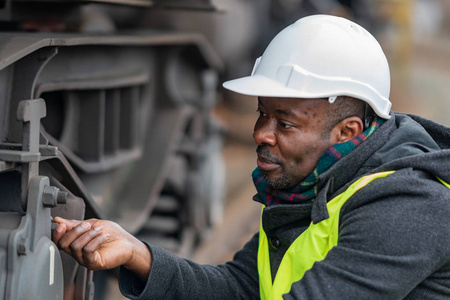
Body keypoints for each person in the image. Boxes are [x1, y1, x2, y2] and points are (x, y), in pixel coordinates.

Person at [52, 14, 450, 299]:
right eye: (262, 112)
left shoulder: (408, 207)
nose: (261, 133)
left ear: (347, 132)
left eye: (285, 123)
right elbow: (240, 287)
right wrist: (139, 255)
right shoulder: (320, 184)